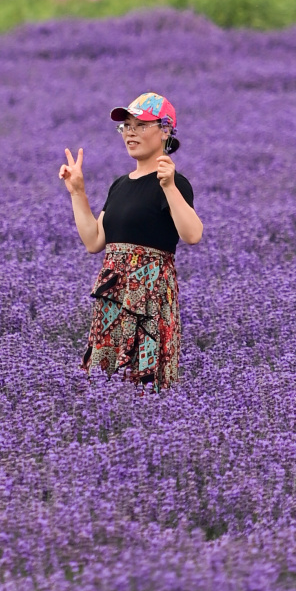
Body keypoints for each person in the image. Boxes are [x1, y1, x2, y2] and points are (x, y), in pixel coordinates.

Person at [59, 91, 202, 390]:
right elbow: (94, 240)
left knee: (145, 383)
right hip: (113, 297)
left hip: (149, 298)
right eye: (126, 126)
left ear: (165, 131)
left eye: (141, 125)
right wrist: (77, 192)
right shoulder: (120, 185)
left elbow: (193, 234)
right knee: (103, 384)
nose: (130, 132)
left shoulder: (175, 183)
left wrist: (169, 186)